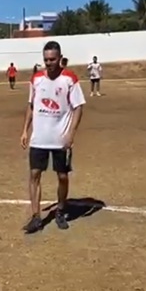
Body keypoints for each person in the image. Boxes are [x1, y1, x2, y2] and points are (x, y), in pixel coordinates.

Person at [20, 41, 86, 233]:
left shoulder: (70, 79)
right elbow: (31, 106)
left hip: (60, 139)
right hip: (39, 138)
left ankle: (60, 210)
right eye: (46, 60)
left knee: (63, 176)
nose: (49, 63)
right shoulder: (36, 79)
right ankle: (36, 217)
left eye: (52, 59)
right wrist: (25, 130)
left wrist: (70, 134)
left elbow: (78, 107)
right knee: (34, 174)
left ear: (59, 58)